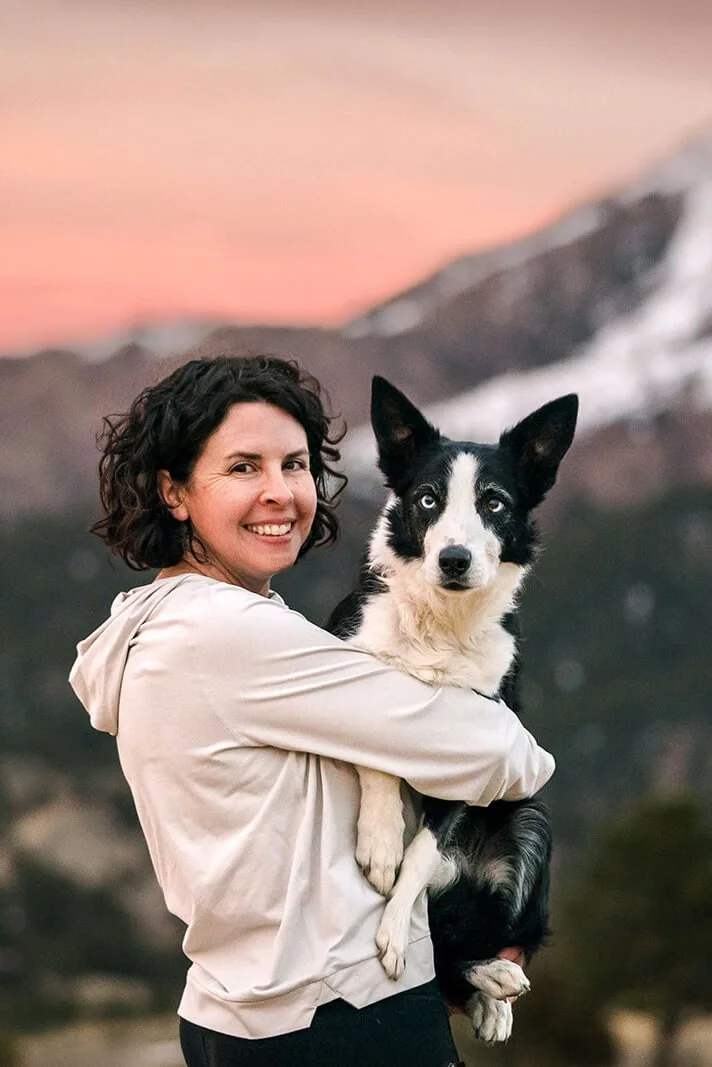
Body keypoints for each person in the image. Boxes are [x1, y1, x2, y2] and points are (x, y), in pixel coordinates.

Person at [69, 355, 555, 1067]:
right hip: (342, 1018)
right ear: (173, 491)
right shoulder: (233, 635)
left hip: (233, 1010)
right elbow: (507, 757)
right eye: (244, 467)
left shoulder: (163, 622)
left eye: (294, 465)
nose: (280, 492)